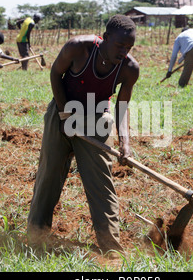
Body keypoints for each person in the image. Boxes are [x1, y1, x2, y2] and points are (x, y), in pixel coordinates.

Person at [27, 15, 139, 257]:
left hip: (98, 119)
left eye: (129, 47)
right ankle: (35, 236)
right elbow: (56, 74)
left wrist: (125, 145)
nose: (124, 52)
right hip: (62, 112)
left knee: (101, 185)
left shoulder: (129, 68)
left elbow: (122, 105)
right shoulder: (78, 48)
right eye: (120, 45)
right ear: (105, 38)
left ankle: (112, 252)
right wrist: (65, 115)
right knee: (48, 175)